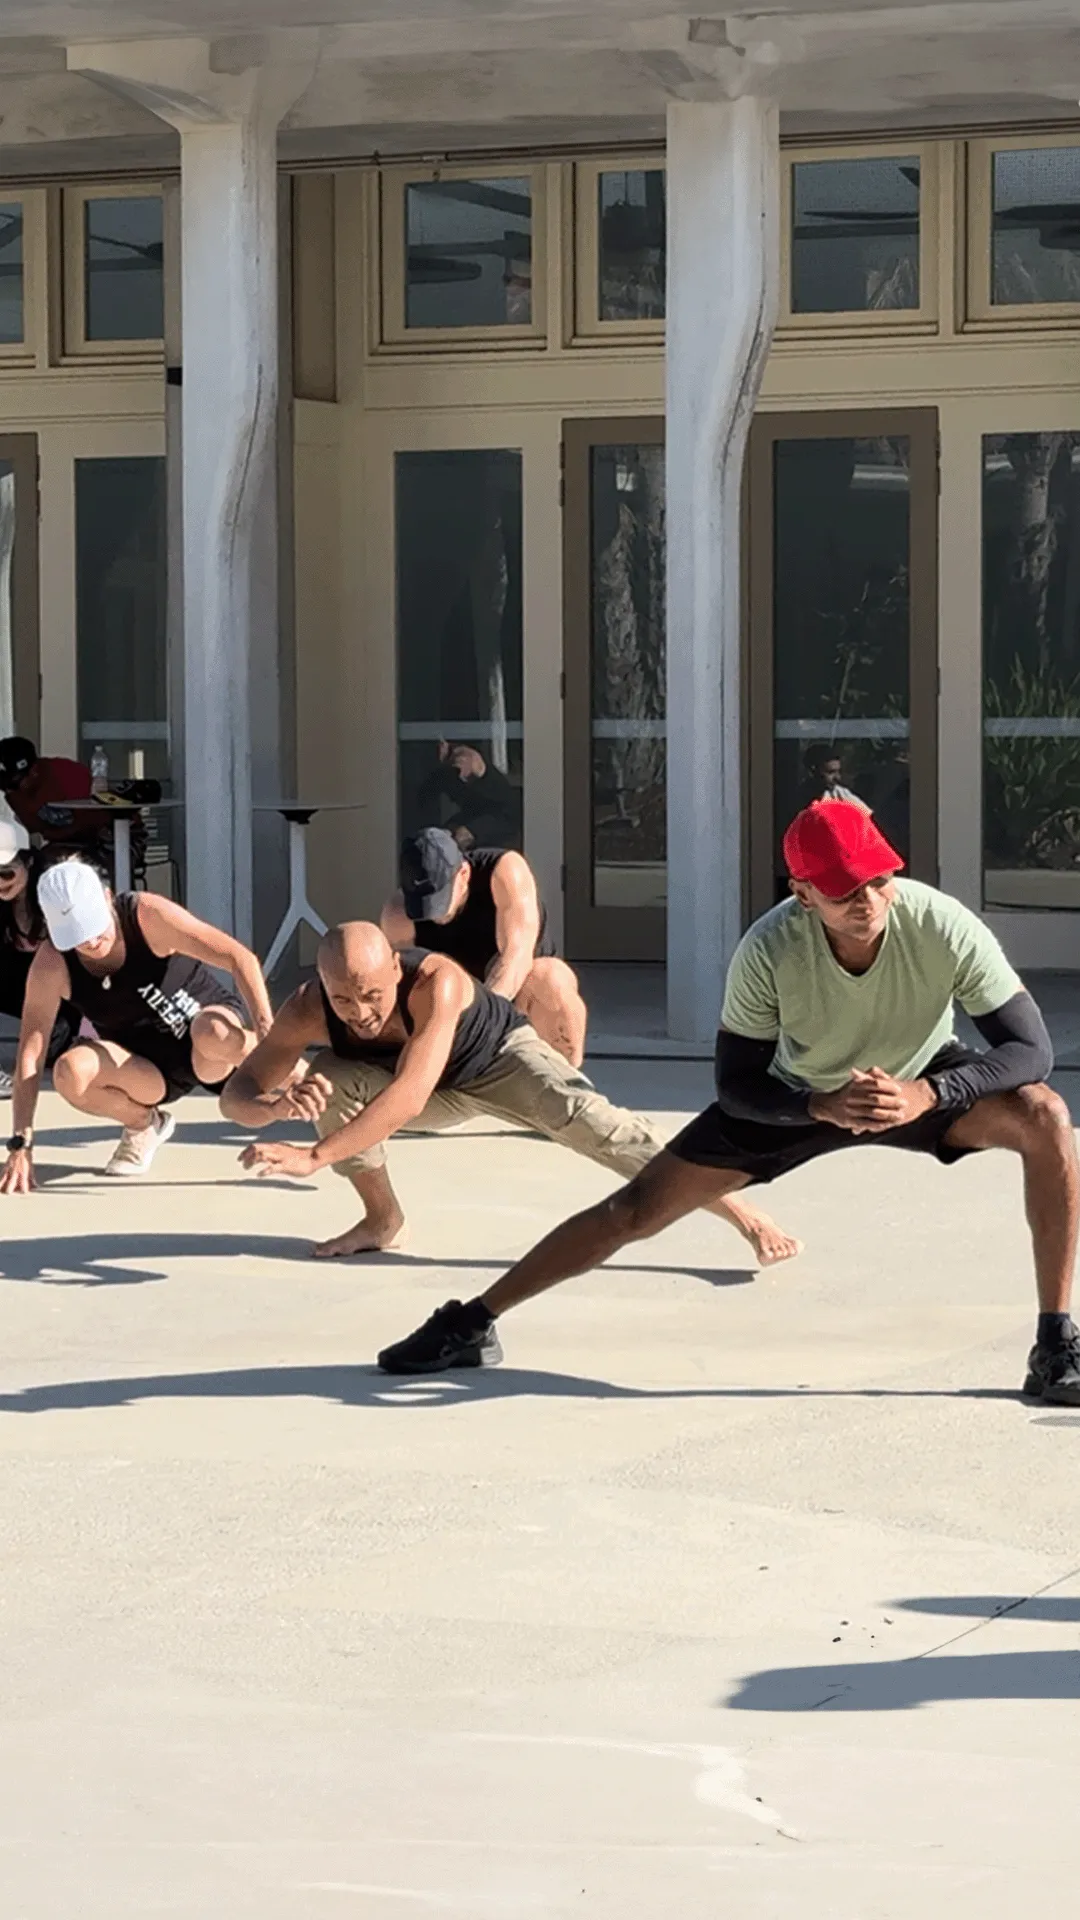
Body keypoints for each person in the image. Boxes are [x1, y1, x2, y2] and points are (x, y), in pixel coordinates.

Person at [377, 799, 1080, 1409]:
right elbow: (737, 1085)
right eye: (843, 889)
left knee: (1045, 1115)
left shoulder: (941, 924)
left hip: (920, 1081)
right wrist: (819, 1107)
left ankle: (1055, 1345)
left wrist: (930, 1091)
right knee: (634, 1210)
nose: (867, 899)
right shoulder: (769, 948)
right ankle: (469, 1323)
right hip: (796, 1092)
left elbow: (1030, 1049)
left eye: (878, 879)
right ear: (804, 894)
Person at [225, 921, 801, 1268]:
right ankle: (382, 1221)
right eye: (345, 1002)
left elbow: (408, 1092)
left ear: (395, 973)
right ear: (322, 985)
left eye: (373, 995)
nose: (363, 1014)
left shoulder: (436, 982)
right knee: (328, 1078)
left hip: (499, 1061)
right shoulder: (306, 1007)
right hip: (430, 1093)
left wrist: (315, 1157)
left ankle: (741, 1212)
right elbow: (236, 1096)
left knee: (600, 1129)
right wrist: (272, 1108)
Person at [0, 860, 274, 1188]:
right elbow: (31, 1052)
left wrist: (268, 1031)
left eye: (94, 925)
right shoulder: (52, 964)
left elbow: (238, 958)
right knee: (68, 1072)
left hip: (210, 1040)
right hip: (146, 1069)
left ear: (107, 897)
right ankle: (143, 1124)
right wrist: (21, 1142)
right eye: (77, 935)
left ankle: (307, 1080)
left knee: (212, 1033)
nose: (89, 942)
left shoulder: (145, 915)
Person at [383, 826, 588, 1068]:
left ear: (463, 875)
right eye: (421, 903)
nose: (432, 914)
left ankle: (567, 1079)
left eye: (440, 899)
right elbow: (403, 989)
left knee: (550, 977)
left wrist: (478, 1020)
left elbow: (516, 956)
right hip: (450, 1004)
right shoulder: (398, 915)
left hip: (517, 995)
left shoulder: (504, 871)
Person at [0, 821, 81, 1095]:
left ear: (29, 862)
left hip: (60, 996)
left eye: (6, 874)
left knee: (51, 1050)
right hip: (17, 985)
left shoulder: (55, 901)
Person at [415, 741, 520, 849]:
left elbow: (508, 812)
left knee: (456, 837)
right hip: (477, 814)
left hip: (500, 819)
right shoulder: (444, 772)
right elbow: (425, 797)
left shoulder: (471, 764)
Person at [0, 736, 94, 844]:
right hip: (58, 844)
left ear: (34, 771)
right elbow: (35, 829)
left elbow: (89, 821)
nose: (9, 790)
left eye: (13, 783)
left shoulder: (70, 774)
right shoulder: (13, 792)